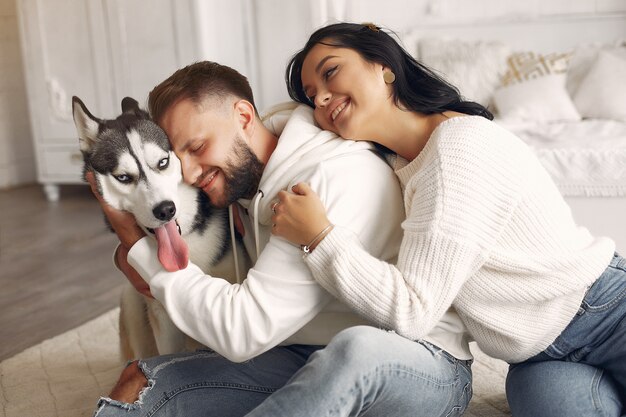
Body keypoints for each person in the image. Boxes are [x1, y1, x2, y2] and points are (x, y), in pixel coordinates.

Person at [246, 22, 626, 417]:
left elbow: (414, 309)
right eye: (312, 95)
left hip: (604, 310)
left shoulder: (455, 149)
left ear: (382, 64)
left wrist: (320, 237)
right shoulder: (398, 165)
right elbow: (289, 123)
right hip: (536, 357)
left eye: (330, 72)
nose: (321, 98)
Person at [86, 60, 472, 417]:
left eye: (198, 147)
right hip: (301, 353)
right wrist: (130, 246)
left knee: (354, 350)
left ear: (242, 116)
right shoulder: (237, 178)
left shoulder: (328, 178)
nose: (187, 174)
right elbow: (164, 273)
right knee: (141, 383)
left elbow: (242, 331)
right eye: (177, 156)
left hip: (421, 366)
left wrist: (131, 239)